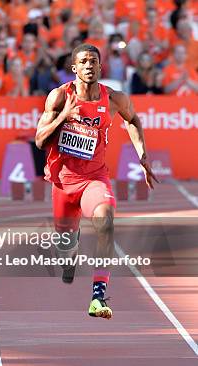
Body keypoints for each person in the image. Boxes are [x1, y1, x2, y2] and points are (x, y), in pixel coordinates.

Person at [35, 44, 158, 320]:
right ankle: (70, 249)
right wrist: (63, 118)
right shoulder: (59, 97)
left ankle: (98, 295)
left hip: (94, 178)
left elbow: (134, 120)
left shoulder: (114, 99)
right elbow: (40, 140)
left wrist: (143, 156)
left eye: (94, 61)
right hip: (63, 182)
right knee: (66, 247)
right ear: (74, 68)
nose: (89, 65)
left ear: (101, 67)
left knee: (106, 222)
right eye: (83, 62)